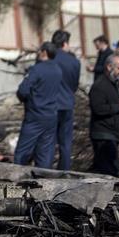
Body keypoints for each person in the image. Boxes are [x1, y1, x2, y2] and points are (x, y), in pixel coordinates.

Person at [13, 42, 63, 169]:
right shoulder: (58, 70)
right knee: (45, 154)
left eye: (39, 51)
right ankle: (44, 183)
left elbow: (23, 90)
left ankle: (16, 181)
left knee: (22, 153)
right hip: (51, 116)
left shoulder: (37, 69)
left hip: (35, 116)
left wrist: (27, 100)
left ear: (44, 52)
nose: (37, 53)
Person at [88, 54, 119, 177]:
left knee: (103, 169)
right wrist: (118, 108)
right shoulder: (99, 85)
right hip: (103, 134)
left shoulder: (118, 85)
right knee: (110, 170)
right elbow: (98, 109)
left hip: (115, 134)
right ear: (109, 67)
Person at [51, 30, 80, 170]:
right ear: (65, 43)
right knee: (65, 142)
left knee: (49, 140)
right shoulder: (74, 61)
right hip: (67, 103)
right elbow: (75, 84)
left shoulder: (49, 58)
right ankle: (65, 170)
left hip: (51, 104)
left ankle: (45, 170)